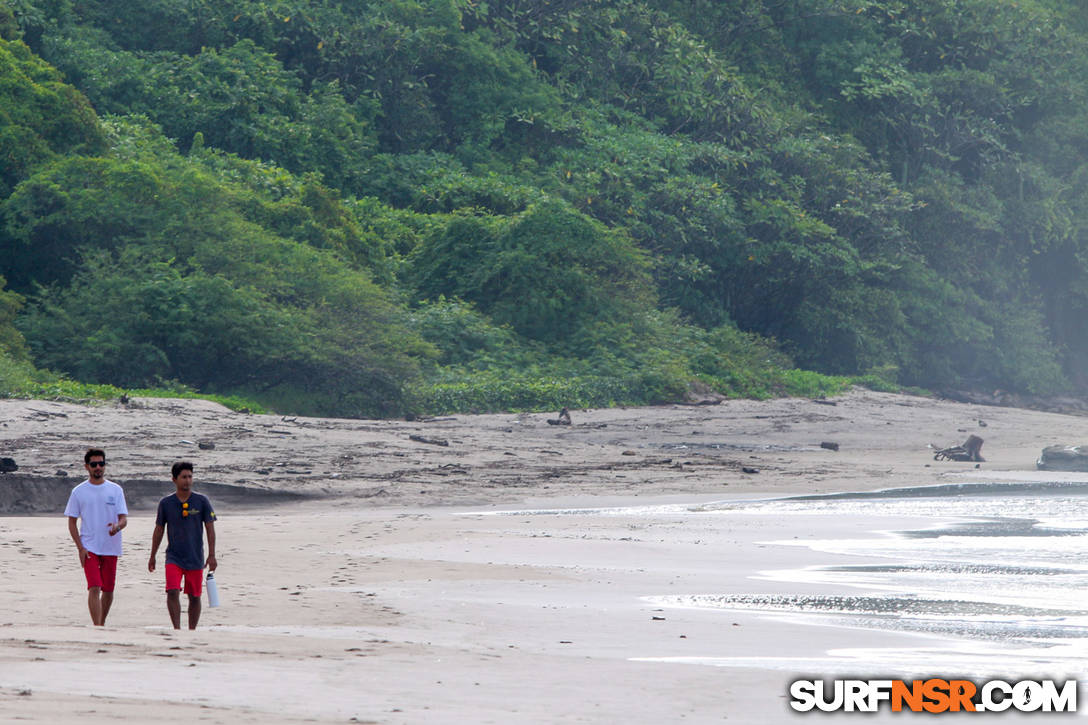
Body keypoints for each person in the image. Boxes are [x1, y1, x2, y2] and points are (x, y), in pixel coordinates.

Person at [148, 461, 217, 629]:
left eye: (190, 477)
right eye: (183, 477)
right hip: (173, 557)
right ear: (174, 479)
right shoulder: (166, 503)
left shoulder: (202, 501)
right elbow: (158, 530)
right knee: (172, 591)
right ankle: (177, 629)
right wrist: (153, 555)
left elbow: (210, 529)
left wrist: (212, 554)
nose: (187, 480)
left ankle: (191, 630)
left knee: (194, 596)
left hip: (195, 557)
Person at [64, 448, 128, 626]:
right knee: (94, 587)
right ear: (87, 467)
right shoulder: (79, 491)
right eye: (94, 464)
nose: (98, 467)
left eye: (101, 464)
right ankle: (97, 626)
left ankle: (101, 623)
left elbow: (123, 518)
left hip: (111, 546)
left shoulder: (115, 490)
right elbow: (71, 522)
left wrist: (117, 526)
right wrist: (80, 548)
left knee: (108, 589)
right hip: (89, 546)